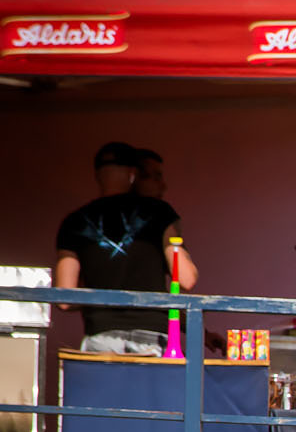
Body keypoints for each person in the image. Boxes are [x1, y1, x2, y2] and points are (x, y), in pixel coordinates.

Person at [52, 142, 192, 356]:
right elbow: (186, 278)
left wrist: (103, 297)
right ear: (132, 174)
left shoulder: (74, 222)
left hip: (101, 334)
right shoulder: (160, 213)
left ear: (98, 175)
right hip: (152, 333)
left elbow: (64, 298)